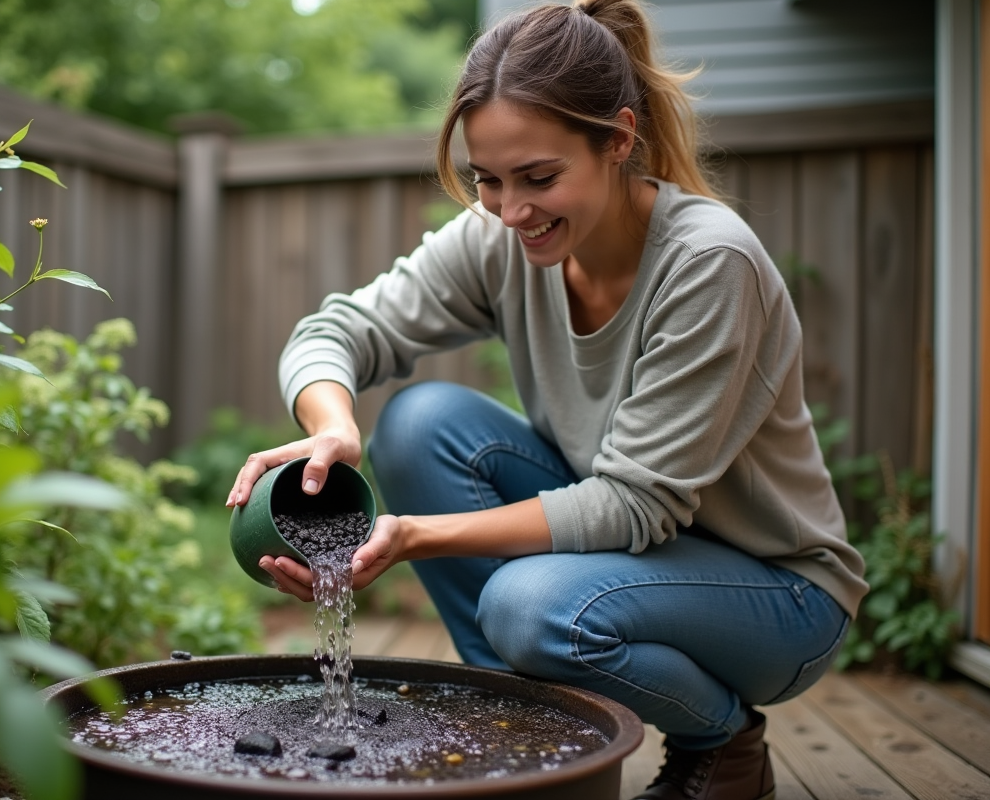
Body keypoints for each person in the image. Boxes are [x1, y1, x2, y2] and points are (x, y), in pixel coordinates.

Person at [227, 1, 867, 798]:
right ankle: (534, 733)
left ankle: (724, 743)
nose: (510, 211)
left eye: (539, 178)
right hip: (631, 560)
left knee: (530, 608)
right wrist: (331, 427)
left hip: (777, 597)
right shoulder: (502, 236)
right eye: (487, 180)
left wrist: (415, 536)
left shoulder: (709, 265)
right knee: (421, 424)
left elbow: (635, 504)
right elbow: (340, 328)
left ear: (619, 140)